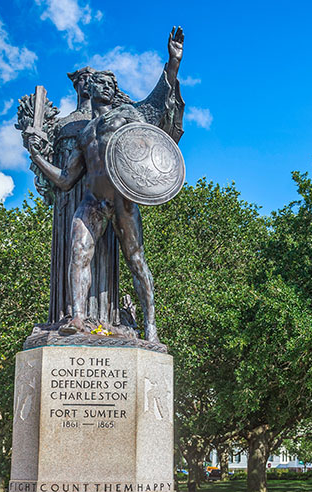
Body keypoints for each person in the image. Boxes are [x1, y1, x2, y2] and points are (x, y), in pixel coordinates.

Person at [28, 27, 185, 343]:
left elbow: (156, 112)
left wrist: (173, 63)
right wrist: (34, 152)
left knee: (136, 260)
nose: (110, 87)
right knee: (78, 252)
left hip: (124, 199)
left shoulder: (127, 114)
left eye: (113, 84)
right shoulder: (85, 134)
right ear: (90, 87)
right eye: (104, 83)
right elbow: (66, 179)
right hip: (94, 200)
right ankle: (77, 316)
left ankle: (151, 327)